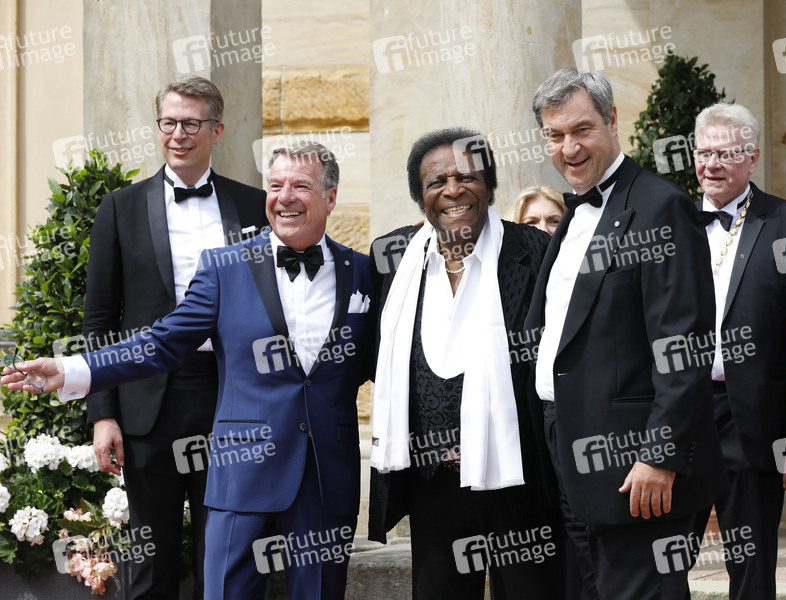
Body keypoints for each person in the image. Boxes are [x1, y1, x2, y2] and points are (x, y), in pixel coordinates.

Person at [3, 142, 376, 600]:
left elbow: (390, 362)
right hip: (242, 471)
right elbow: (162, 342)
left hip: (325, 474)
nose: (284, 197)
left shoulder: (364, 273)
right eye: (275, 185)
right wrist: (73, 368)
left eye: (300, 186)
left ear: (330, 197)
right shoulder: (225, 268)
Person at [525, 68, 728, 600]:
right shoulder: (573, 214)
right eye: (554, 135)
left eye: (581, 130)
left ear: (612, 120)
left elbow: (684, 345)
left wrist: (660, 454)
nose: (569, 148)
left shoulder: (662, 206)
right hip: (566, 446)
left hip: (635, 463)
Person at [80, 75, 267, 599]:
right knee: (150, 561)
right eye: (168, 123)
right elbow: (100, 319)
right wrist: (103, 414)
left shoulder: (254, 206)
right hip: (147, 401)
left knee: (225, 554)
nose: (178, 135)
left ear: (216, 130)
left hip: (230, 397)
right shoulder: (120, 207)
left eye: (191, 124)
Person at [367, 127, 565, 599]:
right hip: (433, 483)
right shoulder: (393, 257)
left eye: (467, 177)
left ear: (489, 186)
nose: (452, 190)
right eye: (436, 182)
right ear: (421, 196)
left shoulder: (536, 251)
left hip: (520, 478)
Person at [690, 102, 786, 600]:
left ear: (753, 158)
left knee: (751, 571)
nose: (712, 165)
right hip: (679, 415)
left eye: (726, 154)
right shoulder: (670, 222)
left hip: (753, 421)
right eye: (704, 153)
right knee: (659, 565)